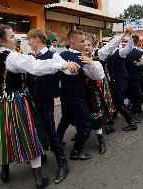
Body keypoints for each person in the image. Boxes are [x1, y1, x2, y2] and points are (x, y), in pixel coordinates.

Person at [0, 24, 79, 189]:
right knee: (29, 134)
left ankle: (61, 164)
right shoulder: (14, 56)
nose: (16, 39)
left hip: (10, 102)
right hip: (19, 102)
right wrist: (63, 65)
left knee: (8, 134)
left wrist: (67, 67)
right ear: (2, 40)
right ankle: (38, 175)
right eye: (11, 37)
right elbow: (35, 67)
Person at [26, 29, 69, 184]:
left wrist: (67, 65)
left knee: (50, 130)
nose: (27, 42)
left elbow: (63, 67)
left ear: (37, 39)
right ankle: (41, 155)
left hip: (45, 100)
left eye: (29, 39)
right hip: (32, 99)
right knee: (35, 129)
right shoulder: (31, 57)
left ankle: (63, 164)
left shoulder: (53, 55)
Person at [56, 30, 105, 161]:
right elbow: (98, 76)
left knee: (64, 120)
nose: (84, 44)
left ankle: (56, 143)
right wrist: (91, 63)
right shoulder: (79, 58)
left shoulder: (60, 55)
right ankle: (76, 151)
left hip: (65, 96)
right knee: (85, 125)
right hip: (77, 97)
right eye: (82, 41)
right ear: (72, 42)